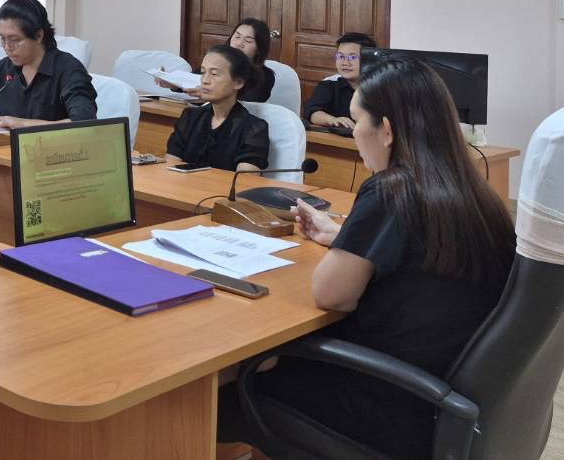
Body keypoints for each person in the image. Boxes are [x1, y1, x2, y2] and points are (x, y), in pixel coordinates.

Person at [219, 57, 515, 457]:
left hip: (383, 406)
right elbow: (423, 257)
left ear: (386, 130)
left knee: (225, 388)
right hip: (439, 404)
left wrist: (354, 239)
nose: (354, 133)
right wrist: (347, 237)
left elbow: (330, 295)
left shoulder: (392, 190)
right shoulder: (474, 193)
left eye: (357, 121)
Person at [0, 0, 95, 129]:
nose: (7, 47)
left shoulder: (69, 70)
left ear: (38, 36)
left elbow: (84, 122)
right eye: (2, 39)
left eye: (15, 40)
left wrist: (20, 124)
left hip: (54, 149)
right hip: (5, 148)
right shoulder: (5, 68)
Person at [165, 44, 270, 172]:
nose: (205, 80)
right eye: (203, 72)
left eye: (214, 74)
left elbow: (244, 180)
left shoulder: (254, 129)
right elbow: (171, 165)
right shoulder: (190, 117)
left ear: (238, 82)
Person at [155, 17, 274, 102]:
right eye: (237, 36)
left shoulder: (265, 76)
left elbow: (246, 103)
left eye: (248, 41)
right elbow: (193, 81)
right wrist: (173, 83)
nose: (239, 43)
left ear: (259, 48)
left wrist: (207, 94)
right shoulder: (216, 63)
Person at [304, 32, 379, 131]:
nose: (345, 63)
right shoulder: (330, 84)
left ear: (370, 60)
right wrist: (332, 120)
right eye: (340, 56)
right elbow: (312, 113)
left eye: (353, 57)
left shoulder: (381, 86)